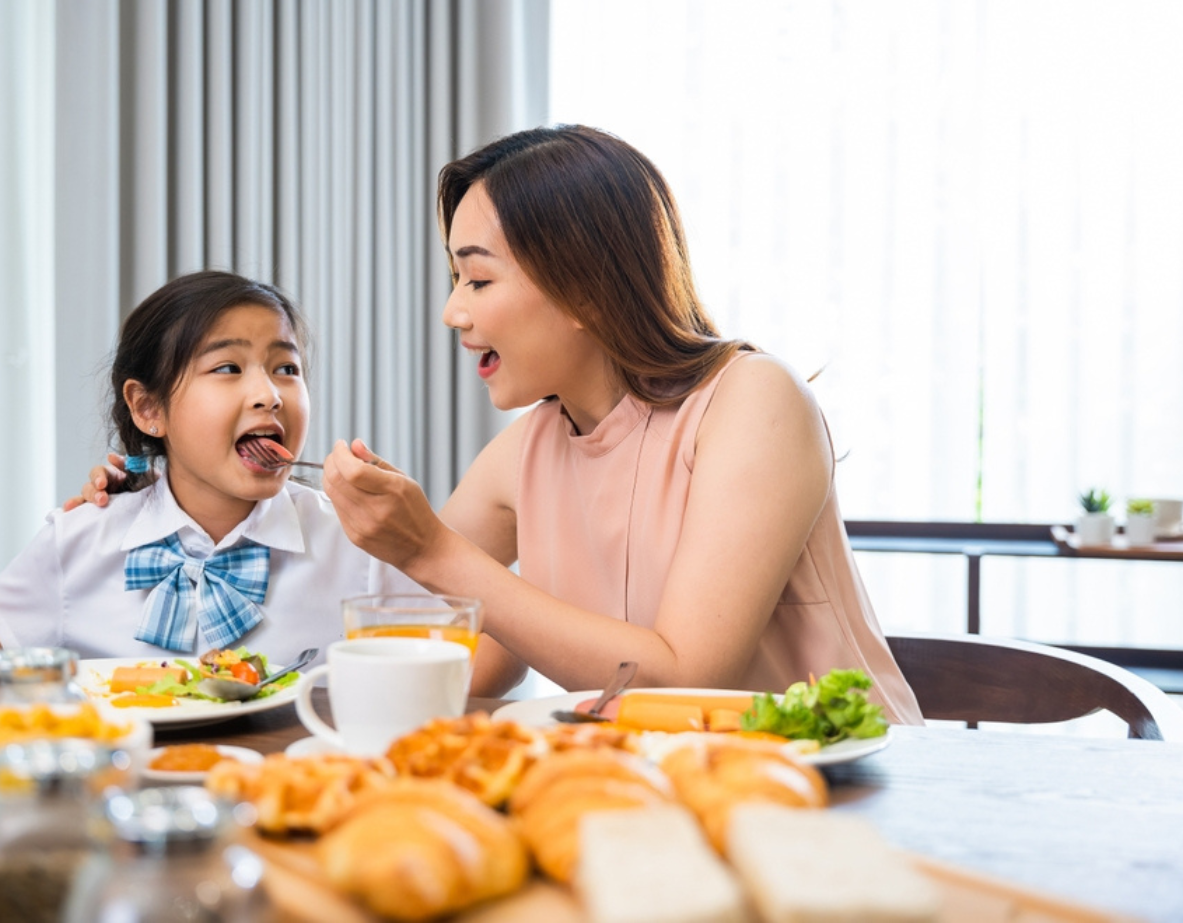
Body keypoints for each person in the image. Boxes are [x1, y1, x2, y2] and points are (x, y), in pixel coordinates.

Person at [320, 125, 922, 720]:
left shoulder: (755, 401)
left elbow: (689, 680)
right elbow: (461, 652)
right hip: (656, 791)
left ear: (584, 288)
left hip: (845, 785)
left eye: (477, 279)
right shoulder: (524, 455)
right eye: (456, 281)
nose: (453, 312)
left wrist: (429, 549)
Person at [0, 270, 408, 676]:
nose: (270, 393)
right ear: (149, 408)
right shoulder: (79, 542)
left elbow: (462, 667)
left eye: (286, 368)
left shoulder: (362, 544)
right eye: (229, 368)